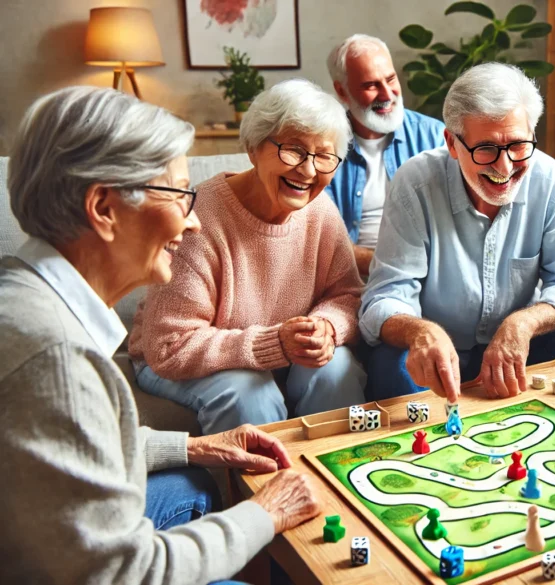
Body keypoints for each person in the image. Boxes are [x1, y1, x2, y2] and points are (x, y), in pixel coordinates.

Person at [0, 86, 320, 584]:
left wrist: (197, 446)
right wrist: (268, 513)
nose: (193, 222)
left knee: (195, 484)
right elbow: (122, 572)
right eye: (177, 194)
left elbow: (73, 446)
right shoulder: (58, 357)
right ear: (103, 208)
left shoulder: (24, 291)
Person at [360, 63, 555, 402]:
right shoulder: (416, 183)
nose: (505, 167)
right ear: (452, 143)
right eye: (486, 149)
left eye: (518, 145)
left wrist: (521, 325)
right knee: (393, 365)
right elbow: (383, 298)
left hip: (519, 351)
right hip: (438, 355)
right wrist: (420, 331)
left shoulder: (549, 180)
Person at [131, 79, 367, 435]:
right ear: (254, 147)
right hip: (173, 360)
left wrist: (326, 328)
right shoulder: (201, 216)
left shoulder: (320, 211)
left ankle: (331, 484)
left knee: (338, 368)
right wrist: (272, 344)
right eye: (293, 150)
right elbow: (169, 346)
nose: (307, 170)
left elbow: (347, 294)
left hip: (279, 353)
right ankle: (259, 491)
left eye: (324, 156)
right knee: (248, 393)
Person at [325, 34, 446, 275]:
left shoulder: (435, 136)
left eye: (390, 79)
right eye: (371, 85)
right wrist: (391, 266)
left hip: (427, 273)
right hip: (352, 276)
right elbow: (324, 242)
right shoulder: (323, 146)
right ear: (342, 91)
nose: (387, 94)